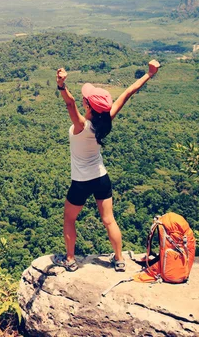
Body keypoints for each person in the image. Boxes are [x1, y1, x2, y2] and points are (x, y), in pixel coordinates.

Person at [54, 60, 161, 272]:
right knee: (109, 220)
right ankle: (119, 259)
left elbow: (69, 103)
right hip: (101, 177)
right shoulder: (106, 120)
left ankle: (70, 260)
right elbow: (128, 92)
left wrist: (61, 84)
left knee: (69, 218)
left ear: (87, 106)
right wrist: (149, 74)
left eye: (86, 99)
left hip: (81, 182)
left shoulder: (80, 126)